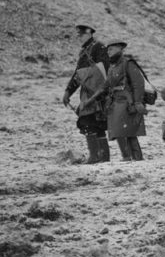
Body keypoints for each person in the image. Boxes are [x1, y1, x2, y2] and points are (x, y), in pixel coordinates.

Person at [81, 39, 146, 161]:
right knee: (121, 130)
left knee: (129, 132)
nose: (108, 52)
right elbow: (105, 86)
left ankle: (137, 158)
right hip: (116, 102)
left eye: (111, 49)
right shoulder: (112, 67)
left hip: (128, 102)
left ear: (120, 49)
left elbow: (139, 84)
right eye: (107, 50)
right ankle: (131, 158)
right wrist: (91, 100)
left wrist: (137, 102)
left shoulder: (128, 63)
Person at [62, 23, 110, 164]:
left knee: (90, 123)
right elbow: (78, 75)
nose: (79, 37)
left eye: (81, 34)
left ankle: (96, 157)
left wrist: (103, 92)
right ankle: (102, 157)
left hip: (97, 93)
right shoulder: (85, 51)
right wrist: (68, 92)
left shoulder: (98, 47)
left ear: (89, 33)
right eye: (78, 35)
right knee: (94, 124)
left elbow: (105, 71)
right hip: (88, 93)